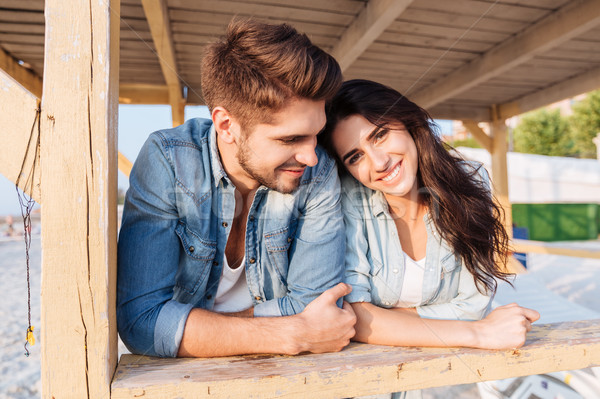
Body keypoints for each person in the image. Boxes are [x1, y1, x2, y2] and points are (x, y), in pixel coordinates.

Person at [117, 19, 356, 358]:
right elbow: (141, 322)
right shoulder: (168, 160)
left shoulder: (317, 171)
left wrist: (200, 331)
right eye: (290, 138)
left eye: (315, 134)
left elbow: (318, 305)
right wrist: (293, 334)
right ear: (226, 125)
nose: (311, 156)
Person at [318, 79, 540, 355]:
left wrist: (385, 319)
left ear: (407, 122)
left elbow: (473, 305)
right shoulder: (348, 200)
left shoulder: (470, 182)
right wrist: (478, 332)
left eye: (380, 135)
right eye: (355, 157)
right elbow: (352, 318)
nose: (378, 162)